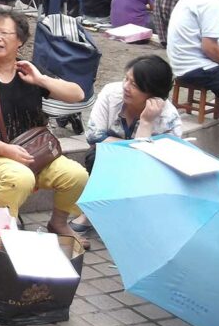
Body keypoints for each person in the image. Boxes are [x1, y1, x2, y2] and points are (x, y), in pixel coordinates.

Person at [0, 7, 89, 246]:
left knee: (77, 175)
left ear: (20, 40)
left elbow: (77, 95)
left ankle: (58, 222)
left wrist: (40, 80)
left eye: (4, 33)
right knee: (19, 177)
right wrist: (6, 150)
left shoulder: (30, 71)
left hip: (36, 153)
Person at [70, 56, 183, 233]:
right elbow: (93, 136)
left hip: (148, 170)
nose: (126, 87)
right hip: (111, 157)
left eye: (135, 85)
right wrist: (135, 146)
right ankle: (91, 213)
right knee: (97, 155)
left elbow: (158, 161)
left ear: (153, 93)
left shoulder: (168, 117)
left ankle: (132, 217)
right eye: (126, 78)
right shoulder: (111, 94)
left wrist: (146, 122)